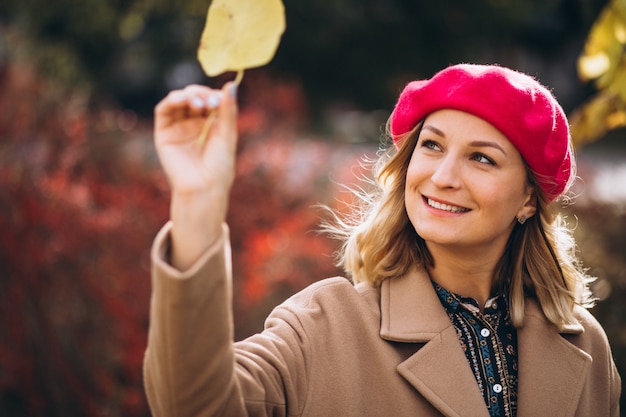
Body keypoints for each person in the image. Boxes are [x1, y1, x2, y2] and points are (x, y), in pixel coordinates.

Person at [143, 64, 621, 417]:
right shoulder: (323, 326)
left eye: (482, 159)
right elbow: (193, 405)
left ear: (528, 201)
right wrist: (197, 204)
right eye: (431, 146)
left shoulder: (586, 346)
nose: (443, 176)